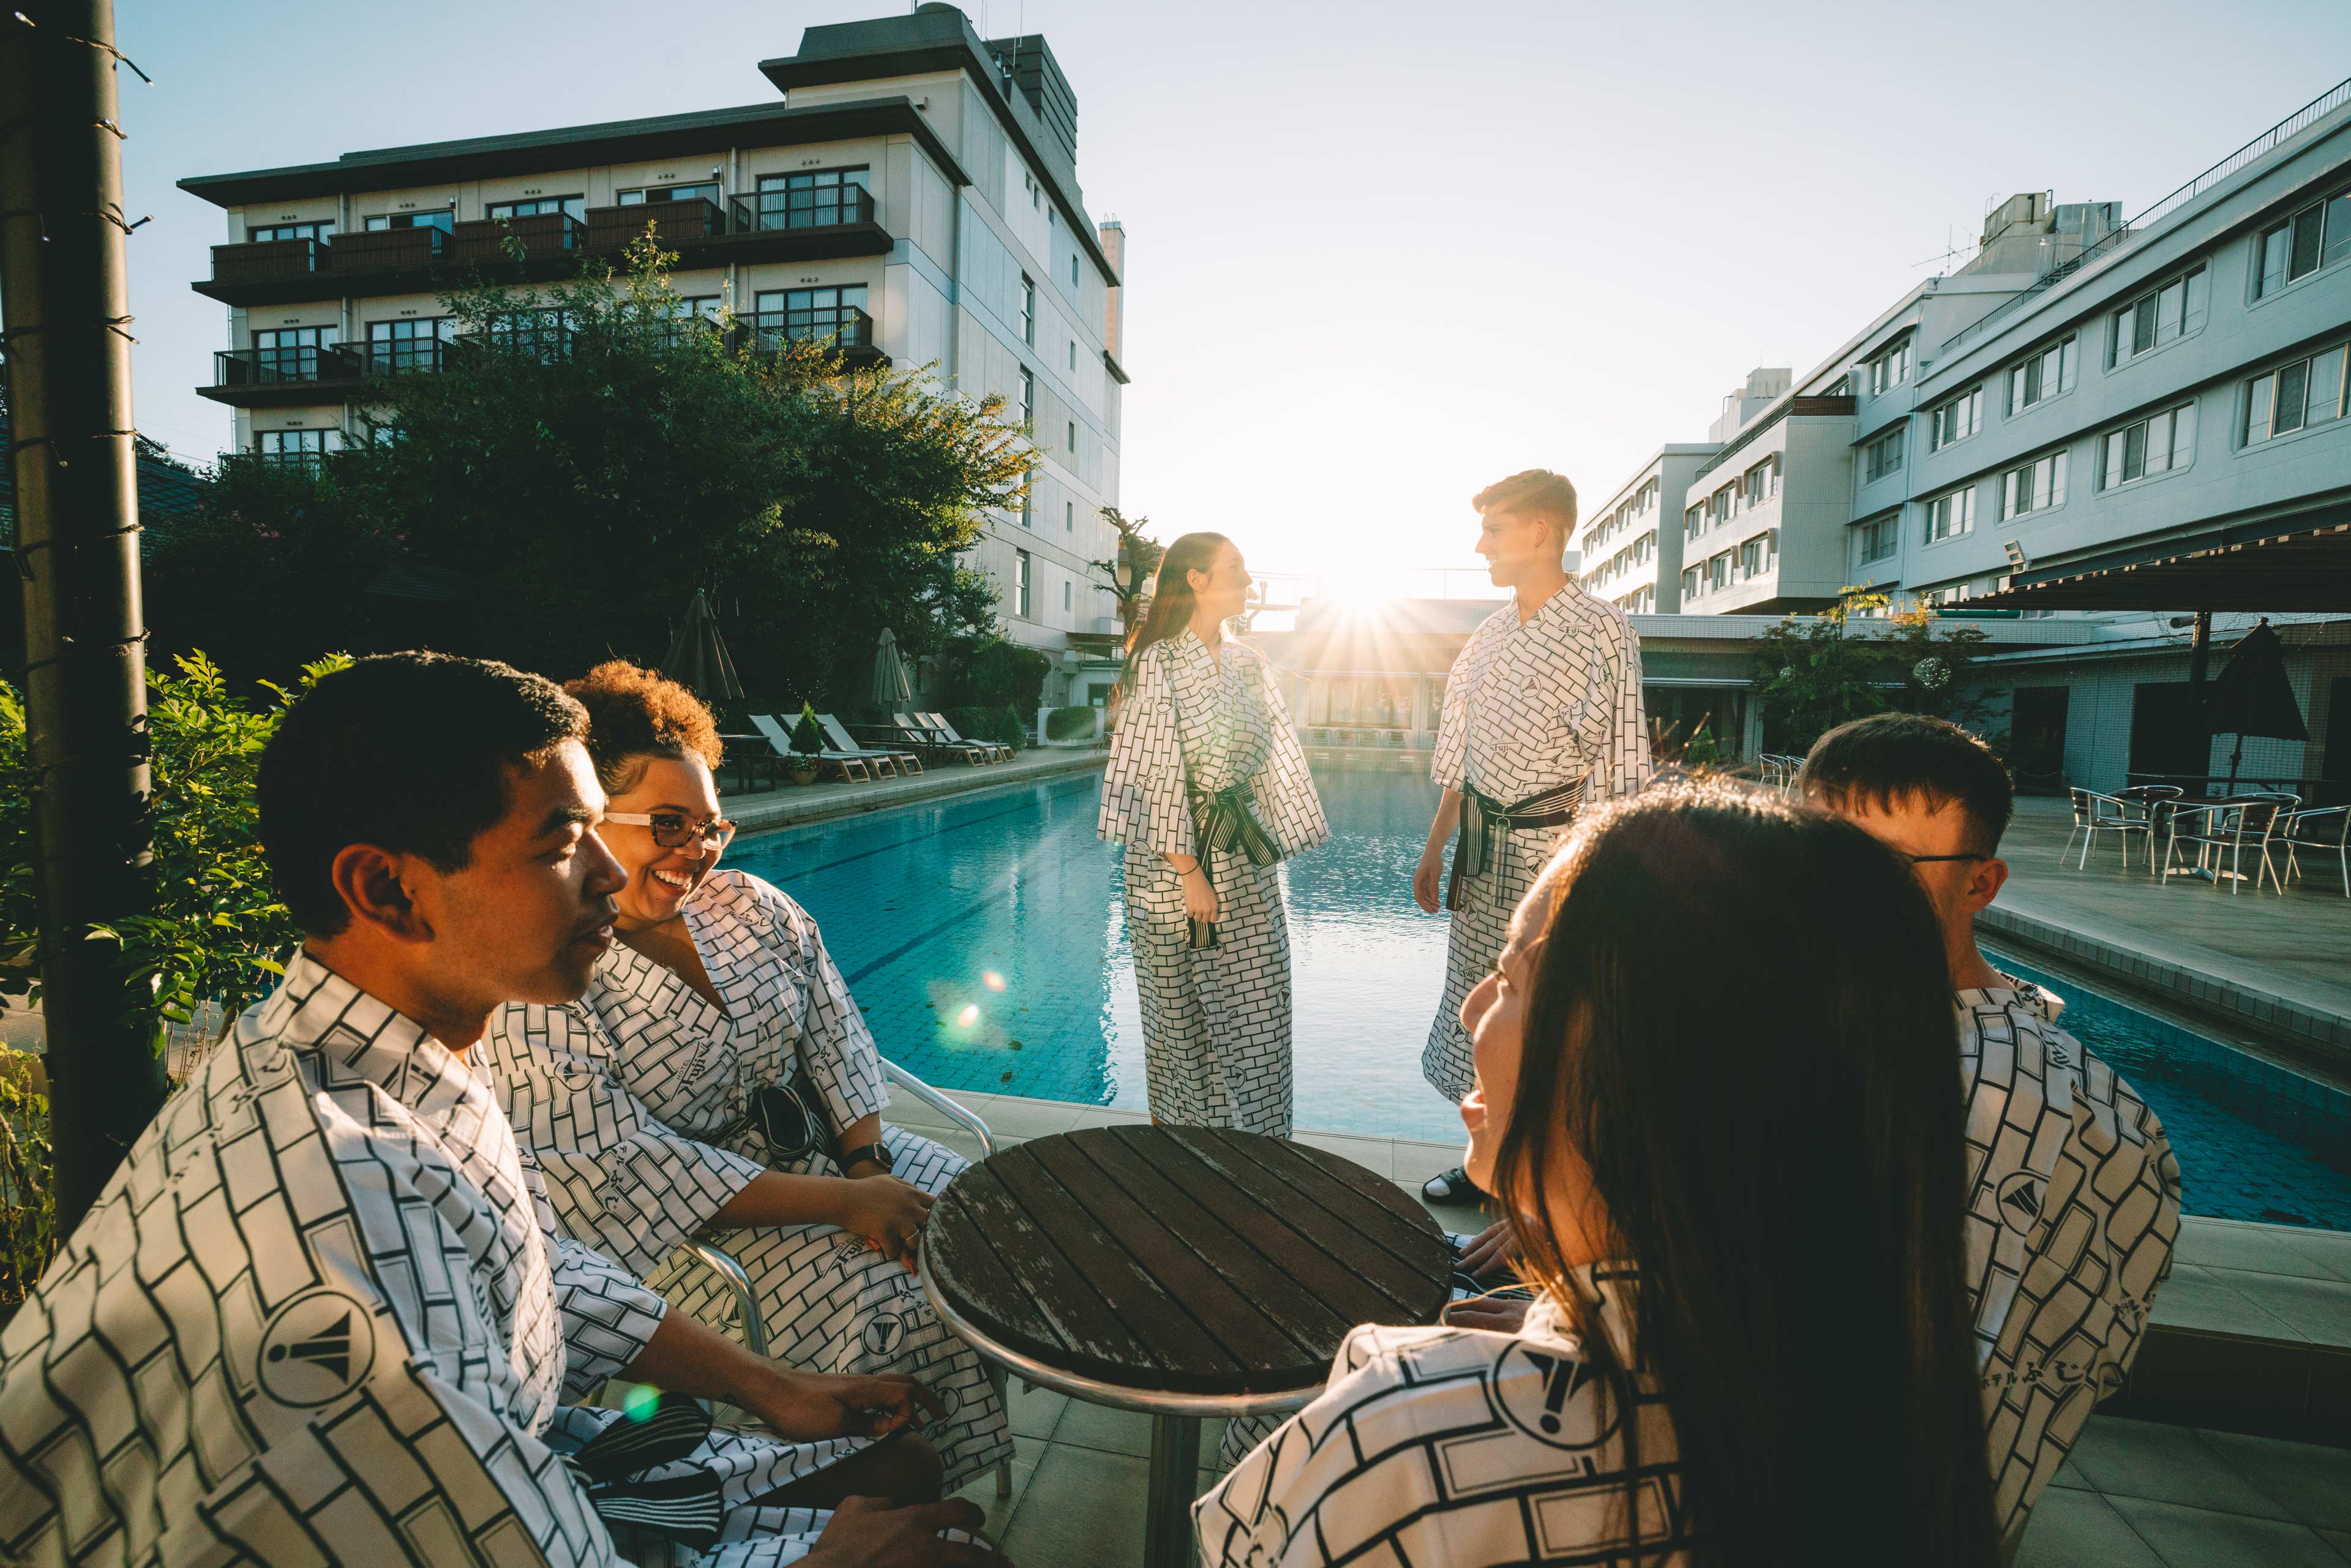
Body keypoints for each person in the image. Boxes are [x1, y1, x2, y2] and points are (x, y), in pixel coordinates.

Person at [0, 653, 1001, 1568]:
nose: (609, 876)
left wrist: (769, 1385)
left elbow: (528, 1256)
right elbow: (487, 1535)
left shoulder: (370, 1053)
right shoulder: (332, 1218)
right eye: (567, 841)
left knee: (904, 1471)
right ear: (388, 888)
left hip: (548, 1455)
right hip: (489, 1512)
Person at [1199, 782, 2000, 1567]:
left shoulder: (1401, 1445)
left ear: (1646, 1054)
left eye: (1514, 980)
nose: (1476, 1007)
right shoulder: (1890, 1420)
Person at [477, 663, 1013, 1493]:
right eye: (668, 823)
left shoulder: (751, 906)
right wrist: (846, 1203)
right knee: (898, 1308)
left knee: (984, 1221)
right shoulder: (551, 968)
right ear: (588, 823)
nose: (698, 850)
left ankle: (925, 1482)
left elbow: (836, 1033)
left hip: (827, 1163)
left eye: (712, 826)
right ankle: (874, 1486)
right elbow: (627, 1166)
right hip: (682, 1234)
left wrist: (866, 1164)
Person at [1798, 712, 2181, 1551]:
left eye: (1881, 868)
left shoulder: (1992, 1098)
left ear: (1979, 885)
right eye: (1811, 854)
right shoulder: (1871, 1024)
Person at [1413, 469, 1647, 1202]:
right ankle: (1488, 1160)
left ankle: (1546, 1175)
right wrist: (1434, 844)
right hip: (1482, 852)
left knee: (1553, 1008)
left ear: (1541, 531)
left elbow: (1619, 763)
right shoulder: (1486, 637)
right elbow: (1460, 752)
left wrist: (1598, 877)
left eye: (1495, 529)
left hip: (1556, 851)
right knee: (1480, 1000)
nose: (1481, 544)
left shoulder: (1601, 628)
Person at [1097, 531, 1329, 1136]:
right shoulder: (1157, 663)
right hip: (1174, 871)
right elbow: (1151, 773)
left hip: (1245, 863)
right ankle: (1187, 1157)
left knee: (1261, 1011)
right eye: (1236, 569)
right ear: (1195, 579)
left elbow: (1278, 750)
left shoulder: (1251, 663)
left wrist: (1281, 835)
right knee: (1182, 1022)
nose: (1249, 581)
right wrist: (1190, 873)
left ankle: (1262, 1148)